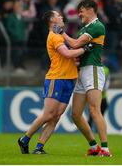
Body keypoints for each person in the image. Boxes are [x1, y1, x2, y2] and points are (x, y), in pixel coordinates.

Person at [18, 10, 95, 154]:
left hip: (69, 79)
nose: (61, 17)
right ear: (52, 20)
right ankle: (25, 139)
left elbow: (68, 57)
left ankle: (39, 147)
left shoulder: (60, 35)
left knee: (57, 115)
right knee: (48, 114)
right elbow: (67, 54)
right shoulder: (54, 36)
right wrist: (85, 49)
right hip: (57, 78)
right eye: (58, 15)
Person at [53, 0, 112, 157]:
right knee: (76, 114)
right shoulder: (84, 28)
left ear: (91, 9)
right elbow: (78, 48)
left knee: (94, 110)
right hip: (82, 72)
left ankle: (105, 149)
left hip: (92, 69)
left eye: (81, 10)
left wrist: (61, 32)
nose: (79, 14)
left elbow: (75, 44)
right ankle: (94, 147)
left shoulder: (97, 26)